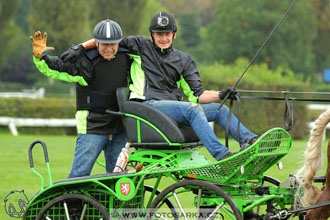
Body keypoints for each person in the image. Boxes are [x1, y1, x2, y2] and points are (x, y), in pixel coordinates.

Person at [61, 12, 258, 161]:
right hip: (148, 106)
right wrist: (81, 47)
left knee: (218, 109)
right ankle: (223, 156)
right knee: (192, 110)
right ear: (151, 35)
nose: (163, 38)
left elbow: (198, 95)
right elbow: (108, 39)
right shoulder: (139, 45)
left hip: (174, 110)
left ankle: (251, 141)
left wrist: (221, 94)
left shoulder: (185, 60)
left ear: (174, 35)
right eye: (159, 34)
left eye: (167, 34)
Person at [30, 19, 131, 177]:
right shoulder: (84, 61)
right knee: (79, 175)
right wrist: (40, 57)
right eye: (104, 44)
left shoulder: (128, 58)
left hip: (120, 127)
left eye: (113, 44)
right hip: (93, 126)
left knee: (119, 178)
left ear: (119, 43)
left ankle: (112, 203)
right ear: (96, 43)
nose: (109, 49)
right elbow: (57, 67)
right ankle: (72, 202)